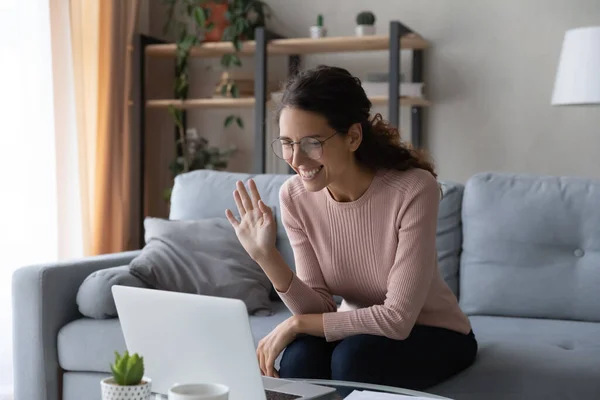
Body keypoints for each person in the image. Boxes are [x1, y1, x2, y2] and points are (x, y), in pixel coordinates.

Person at [225, 65, 477, 391]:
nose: (296, 159)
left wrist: (298, 323)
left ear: (353, 137)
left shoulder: (414, 189)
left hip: (434, 331)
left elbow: (397, 319)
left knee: (353, 359)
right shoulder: (294, 196)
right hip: (358, 329)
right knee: (300, 358)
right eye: (287, 142)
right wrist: (265, 256)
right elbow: (319, 306)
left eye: (312, 142)